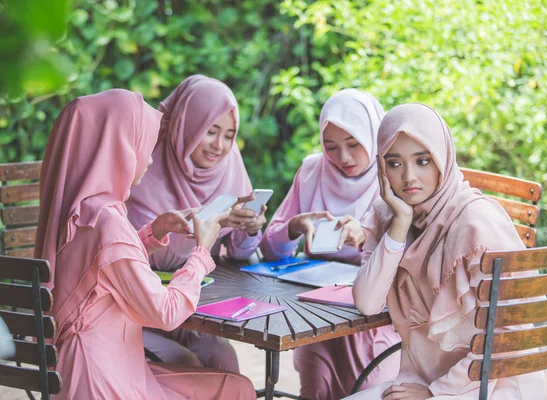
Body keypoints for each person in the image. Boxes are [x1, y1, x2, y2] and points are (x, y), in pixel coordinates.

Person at [34, 89, 256, 399]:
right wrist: (201, 253)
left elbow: (102, 269)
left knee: (234, 385)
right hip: (103, 382)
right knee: (238, 389)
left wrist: (154, 231)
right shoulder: (107, 222)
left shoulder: (76, 212)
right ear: (118, 148)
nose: (150, 158)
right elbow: (165, 312)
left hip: (88, 367)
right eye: (143, 147)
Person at [347, 103, 546, 399]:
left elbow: (507, 336)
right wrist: (400, 225)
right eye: (395, 162)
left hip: (495, 386)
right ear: (381, 168)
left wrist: (435, 392)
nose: (408, 177)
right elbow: (367, 302)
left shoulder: (476, 224)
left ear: (442, 158)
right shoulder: (388, 215)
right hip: (424, 380)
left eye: (423, 161)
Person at [260, 89, 402, 399]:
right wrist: (294, 226)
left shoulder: (395, 175)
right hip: (315, 316)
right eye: (331, 147)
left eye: (354, 144)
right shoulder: (312, 170)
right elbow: (270, 250)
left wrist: (368, 234)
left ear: (373, 138)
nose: (344, 158)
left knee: (368, 387)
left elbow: (411, 250)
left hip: (373, 322)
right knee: (315, 388)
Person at [126, 75, 266, 372]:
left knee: (221, 355)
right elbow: (141, 251)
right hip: (134, 308)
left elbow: (238, 254)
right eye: (210, 131)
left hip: (190, 306)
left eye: (229, 135)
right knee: (184, 362)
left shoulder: (229, 167)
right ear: (185, 126)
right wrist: (205, 222)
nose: (220, 146)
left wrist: (249, 229)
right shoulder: (143, 165)